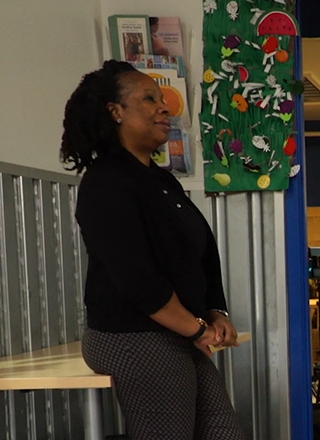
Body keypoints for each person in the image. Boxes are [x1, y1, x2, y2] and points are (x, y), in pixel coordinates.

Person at [61, 60, 245, 440]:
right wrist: (196, 329)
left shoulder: (160, 180)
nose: (166, 107)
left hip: (177, 331)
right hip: (132, 335)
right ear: (115, 111)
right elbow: (137, 280)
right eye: (149, 99)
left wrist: (214, 310)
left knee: (225, 434)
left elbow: (200, 252)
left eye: (163, 98)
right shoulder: (105, 183)